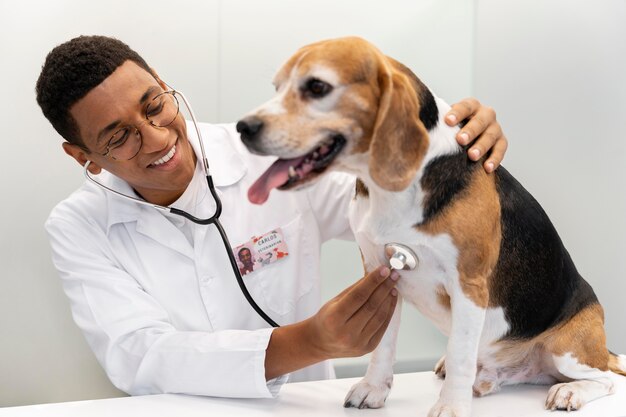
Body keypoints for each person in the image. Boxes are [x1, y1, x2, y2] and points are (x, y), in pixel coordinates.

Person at [35, 35, 508, 398]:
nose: (156, 138)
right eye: (119, 137)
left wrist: (456, 143)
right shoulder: (79, 226)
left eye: (154, 106)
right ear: (83, 156)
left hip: (306, 404)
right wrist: (309, 342)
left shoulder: (271, 156)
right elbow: (138, 355)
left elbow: (404, 205)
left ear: (161, 83)